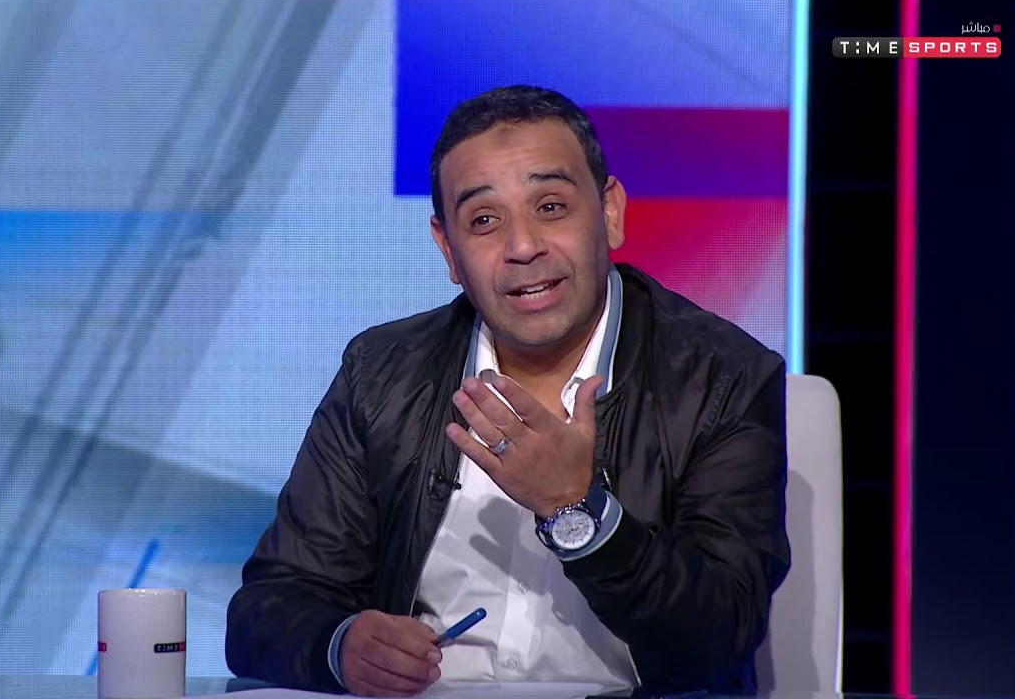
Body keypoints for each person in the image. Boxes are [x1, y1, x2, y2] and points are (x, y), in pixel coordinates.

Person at [225, 85, 790, 697]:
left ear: (609, 212)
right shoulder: (382, 374)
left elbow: (720, 635)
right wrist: (339, 646)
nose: (522, 247)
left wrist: (579, 511)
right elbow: (266, 610)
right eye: (484, 221)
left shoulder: (724, 379)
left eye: (550, 206)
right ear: (448, 248)